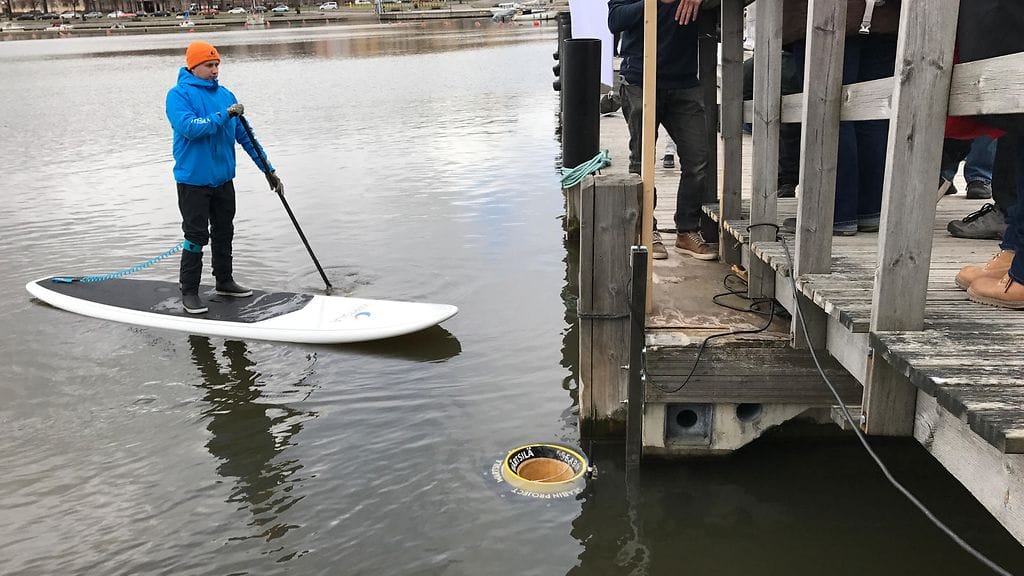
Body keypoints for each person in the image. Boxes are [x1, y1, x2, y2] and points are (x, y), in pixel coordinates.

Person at [166, 41, 283, 314]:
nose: (215, 70)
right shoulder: (178, 96)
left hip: (223, 180)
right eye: (209, 65)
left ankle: (224, 281)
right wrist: (224, 114)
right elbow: (190, 128)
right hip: (193, 181)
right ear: (193, 67)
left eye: (217, 64)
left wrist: (269, 171)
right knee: (195, 236)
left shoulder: (226, 94)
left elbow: (246, 137)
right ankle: (190, 292)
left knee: (224, 231)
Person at [608, 0, 713, 261]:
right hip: (639, 80)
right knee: (642, 161)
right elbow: (615, 20)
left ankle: (687, 230)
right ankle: (646, 230)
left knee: (698, 159)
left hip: (684, 81)